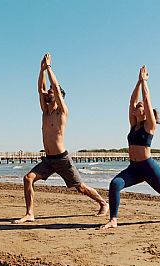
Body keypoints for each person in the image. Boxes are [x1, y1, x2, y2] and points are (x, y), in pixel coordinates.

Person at [12, 53, 109, 224]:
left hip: (62, 159)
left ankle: (103, 203)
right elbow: (40, 89)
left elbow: (55, 86)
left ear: (59, 97)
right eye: (48, 93)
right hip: (49, 160)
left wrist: (49, 68)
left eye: (51, 92)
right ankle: (30, 214)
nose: (48, 94)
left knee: (80, 187)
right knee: (28, 178)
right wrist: (41, 70)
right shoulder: (46, 112)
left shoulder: (62, 112)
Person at [101, 65, 160, 229]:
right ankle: (113, 219)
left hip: (149, 167)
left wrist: (144, 82)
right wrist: (138, 82)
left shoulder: (149, 125)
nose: (137, 106)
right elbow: (132, 101)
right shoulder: (133, 125)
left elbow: (147, 99)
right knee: (115, 184)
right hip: (134, 168)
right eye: (137, 106)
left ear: (146, 113)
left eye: (140, 106)